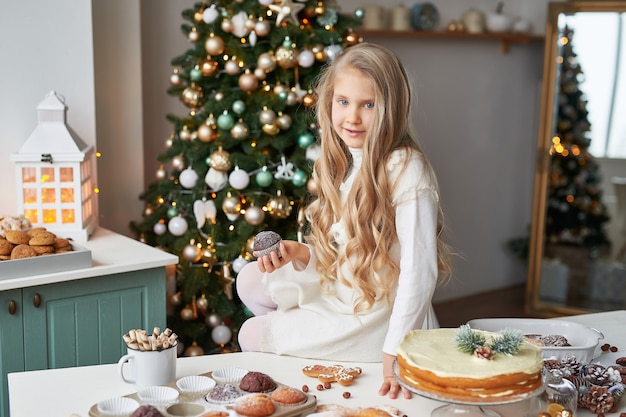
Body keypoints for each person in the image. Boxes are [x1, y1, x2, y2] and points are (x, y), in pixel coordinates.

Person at [236, 42, 452, 400]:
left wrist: (393, 352)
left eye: (368, 105)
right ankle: (300, 345)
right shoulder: (345, 159)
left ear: (391, 108)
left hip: (375, 314)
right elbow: (347, 254)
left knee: (250, 334)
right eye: (343, 102)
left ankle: (319, 376)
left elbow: (420, 270)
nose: (352, 117)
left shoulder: (405, 167)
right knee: (249, 279)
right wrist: (302, 255)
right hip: (344, 290)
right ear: (329, 102)